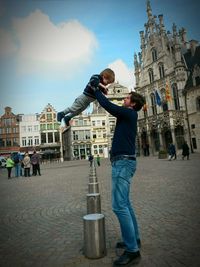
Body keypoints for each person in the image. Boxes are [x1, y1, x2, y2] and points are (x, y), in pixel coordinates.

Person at [92, 86, 145, 266]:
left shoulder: (129, 114)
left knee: (119, 206)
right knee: (126, 204)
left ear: (133, 103)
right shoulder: (127, 115)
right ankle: (134, 239)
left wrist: (95, 91)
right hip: (123, 162)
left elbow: (108, 106)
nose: (124, 99)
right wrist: (103, 94)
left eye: (127, 98)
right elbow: (112, 106)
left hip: (122, 164)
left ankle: (132, 251)